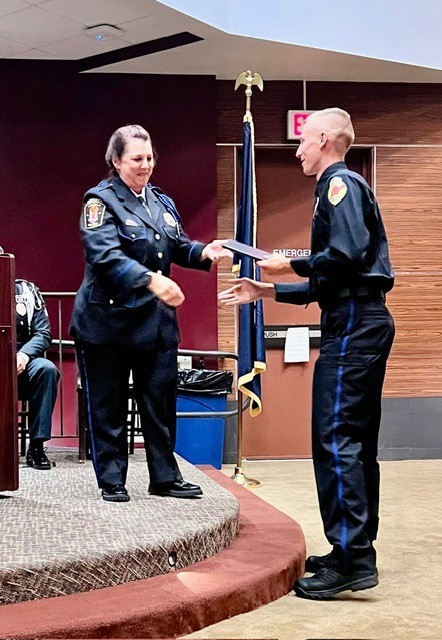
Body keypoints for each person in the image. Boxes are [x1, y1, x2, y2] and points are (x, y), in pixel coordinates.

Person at [219, 108, 395, 599]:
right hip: (358, 318)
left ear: (323, 139)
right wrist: (265, 290)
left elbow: (344, 258)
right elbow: (330, 278)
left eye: (302, 141)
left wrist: (287, 261)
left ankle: (353, 560)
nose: (298, 150)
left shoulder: (339, 184)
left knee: (337, 439)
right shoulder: (341, 188)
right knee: (354, 442)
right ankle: (351, 549)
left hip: (355, 324)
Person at [70, 124, 231, 503]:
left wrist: (203, 251)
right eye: (137, 159)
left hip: (154, 324)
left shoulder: (159, 201)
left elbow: (174, 245)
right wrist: (150, 281)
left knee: (159, 402)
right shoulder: (100, 201)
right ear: (116, 161)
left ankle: (164, 477)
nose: (146, 166)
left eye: (150, 158)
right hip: (107, 323)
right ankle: (112, 479)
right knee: (108, 405)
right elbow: (105, 256)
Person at [16, 279, 60, 470]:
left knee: (46, 369)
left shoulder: (27, 290)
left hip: (23, 359)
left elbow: (43, 333)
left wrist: (24, 355)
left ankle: (36, 447)